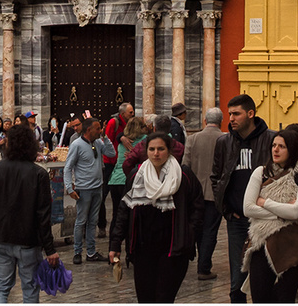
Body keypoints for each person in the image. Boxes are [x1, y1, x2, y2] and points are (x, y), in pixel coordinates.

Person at [108, 131, 201, 302]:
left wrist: (190, 233)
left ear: (169, 150)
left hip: (173, 249)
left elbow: (197, 207)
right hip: (143, 248)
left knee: (164, 297)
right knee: (145, 298)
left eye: (160, 149)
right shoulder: (137, 176)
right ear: (146, 151)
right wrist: (115, 244)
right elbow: (124, 211)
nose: (156, 153)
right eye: (152, 149)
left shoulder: (183, 175)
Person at [0, 122, 60, 304]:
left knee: (0, 286)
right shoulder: (39, 174)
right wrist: (50, 249)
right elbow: (43, 214)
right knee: (30, 287)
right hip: (28, 240)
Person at [240, 126, 298, 303]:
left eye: (281, 146)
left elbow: (297, 212)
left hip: (292, 246)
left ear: (292, 148)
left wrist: (265, 203)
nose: (275, 149)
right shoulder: (260, 172)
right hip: (261, 243)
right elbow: (248, 209)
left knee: (284, 298)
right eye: (274, 145)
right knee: (260, 297)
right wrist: (283, 213)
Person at [215, 93, 277, 304]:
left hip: (265, 221)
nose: (231, 118)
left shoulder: (271, 140)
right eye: (229, 114)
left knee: (267, 276)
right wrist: (225, 209)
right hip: (237, 221)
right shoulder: (224, 142)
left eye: (236, 114)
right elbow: (216, 177)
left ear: (250, 114)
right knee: (237, 280)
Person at [185, 106, 224, 282]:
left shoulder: (193, 139)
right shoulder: (226, 139)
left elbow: (185, 166)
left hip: (195, 194)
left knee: (197, 228)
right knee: (210, 231)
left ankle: (196, 260)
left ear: (205, 120)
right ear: (221, 121)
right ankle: (204, 266)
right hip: (215, 193)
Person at [63, 116, 107, 263]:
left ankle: (91, 252)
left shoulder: (99, 143)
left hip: (97, 187)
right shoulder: (76, 145)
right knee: (81, 221)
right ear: (89, 130)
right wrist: (69, 187)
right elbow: (68, 167)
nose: (100, 130)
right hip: (84, 188)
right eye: (98, 128)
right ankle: (77, 252)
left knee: (92, 221)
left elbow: (111, 153)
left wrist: (106, 139)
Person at [106, 115, 145, 244]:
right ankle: (130, 247)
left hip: (115, 180)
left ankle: (113, 244)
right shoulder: (143, 140)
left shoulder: (122, 142)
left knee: (117, 215)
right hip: (129, 180)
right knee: (131, 216)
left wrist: (121, 137)